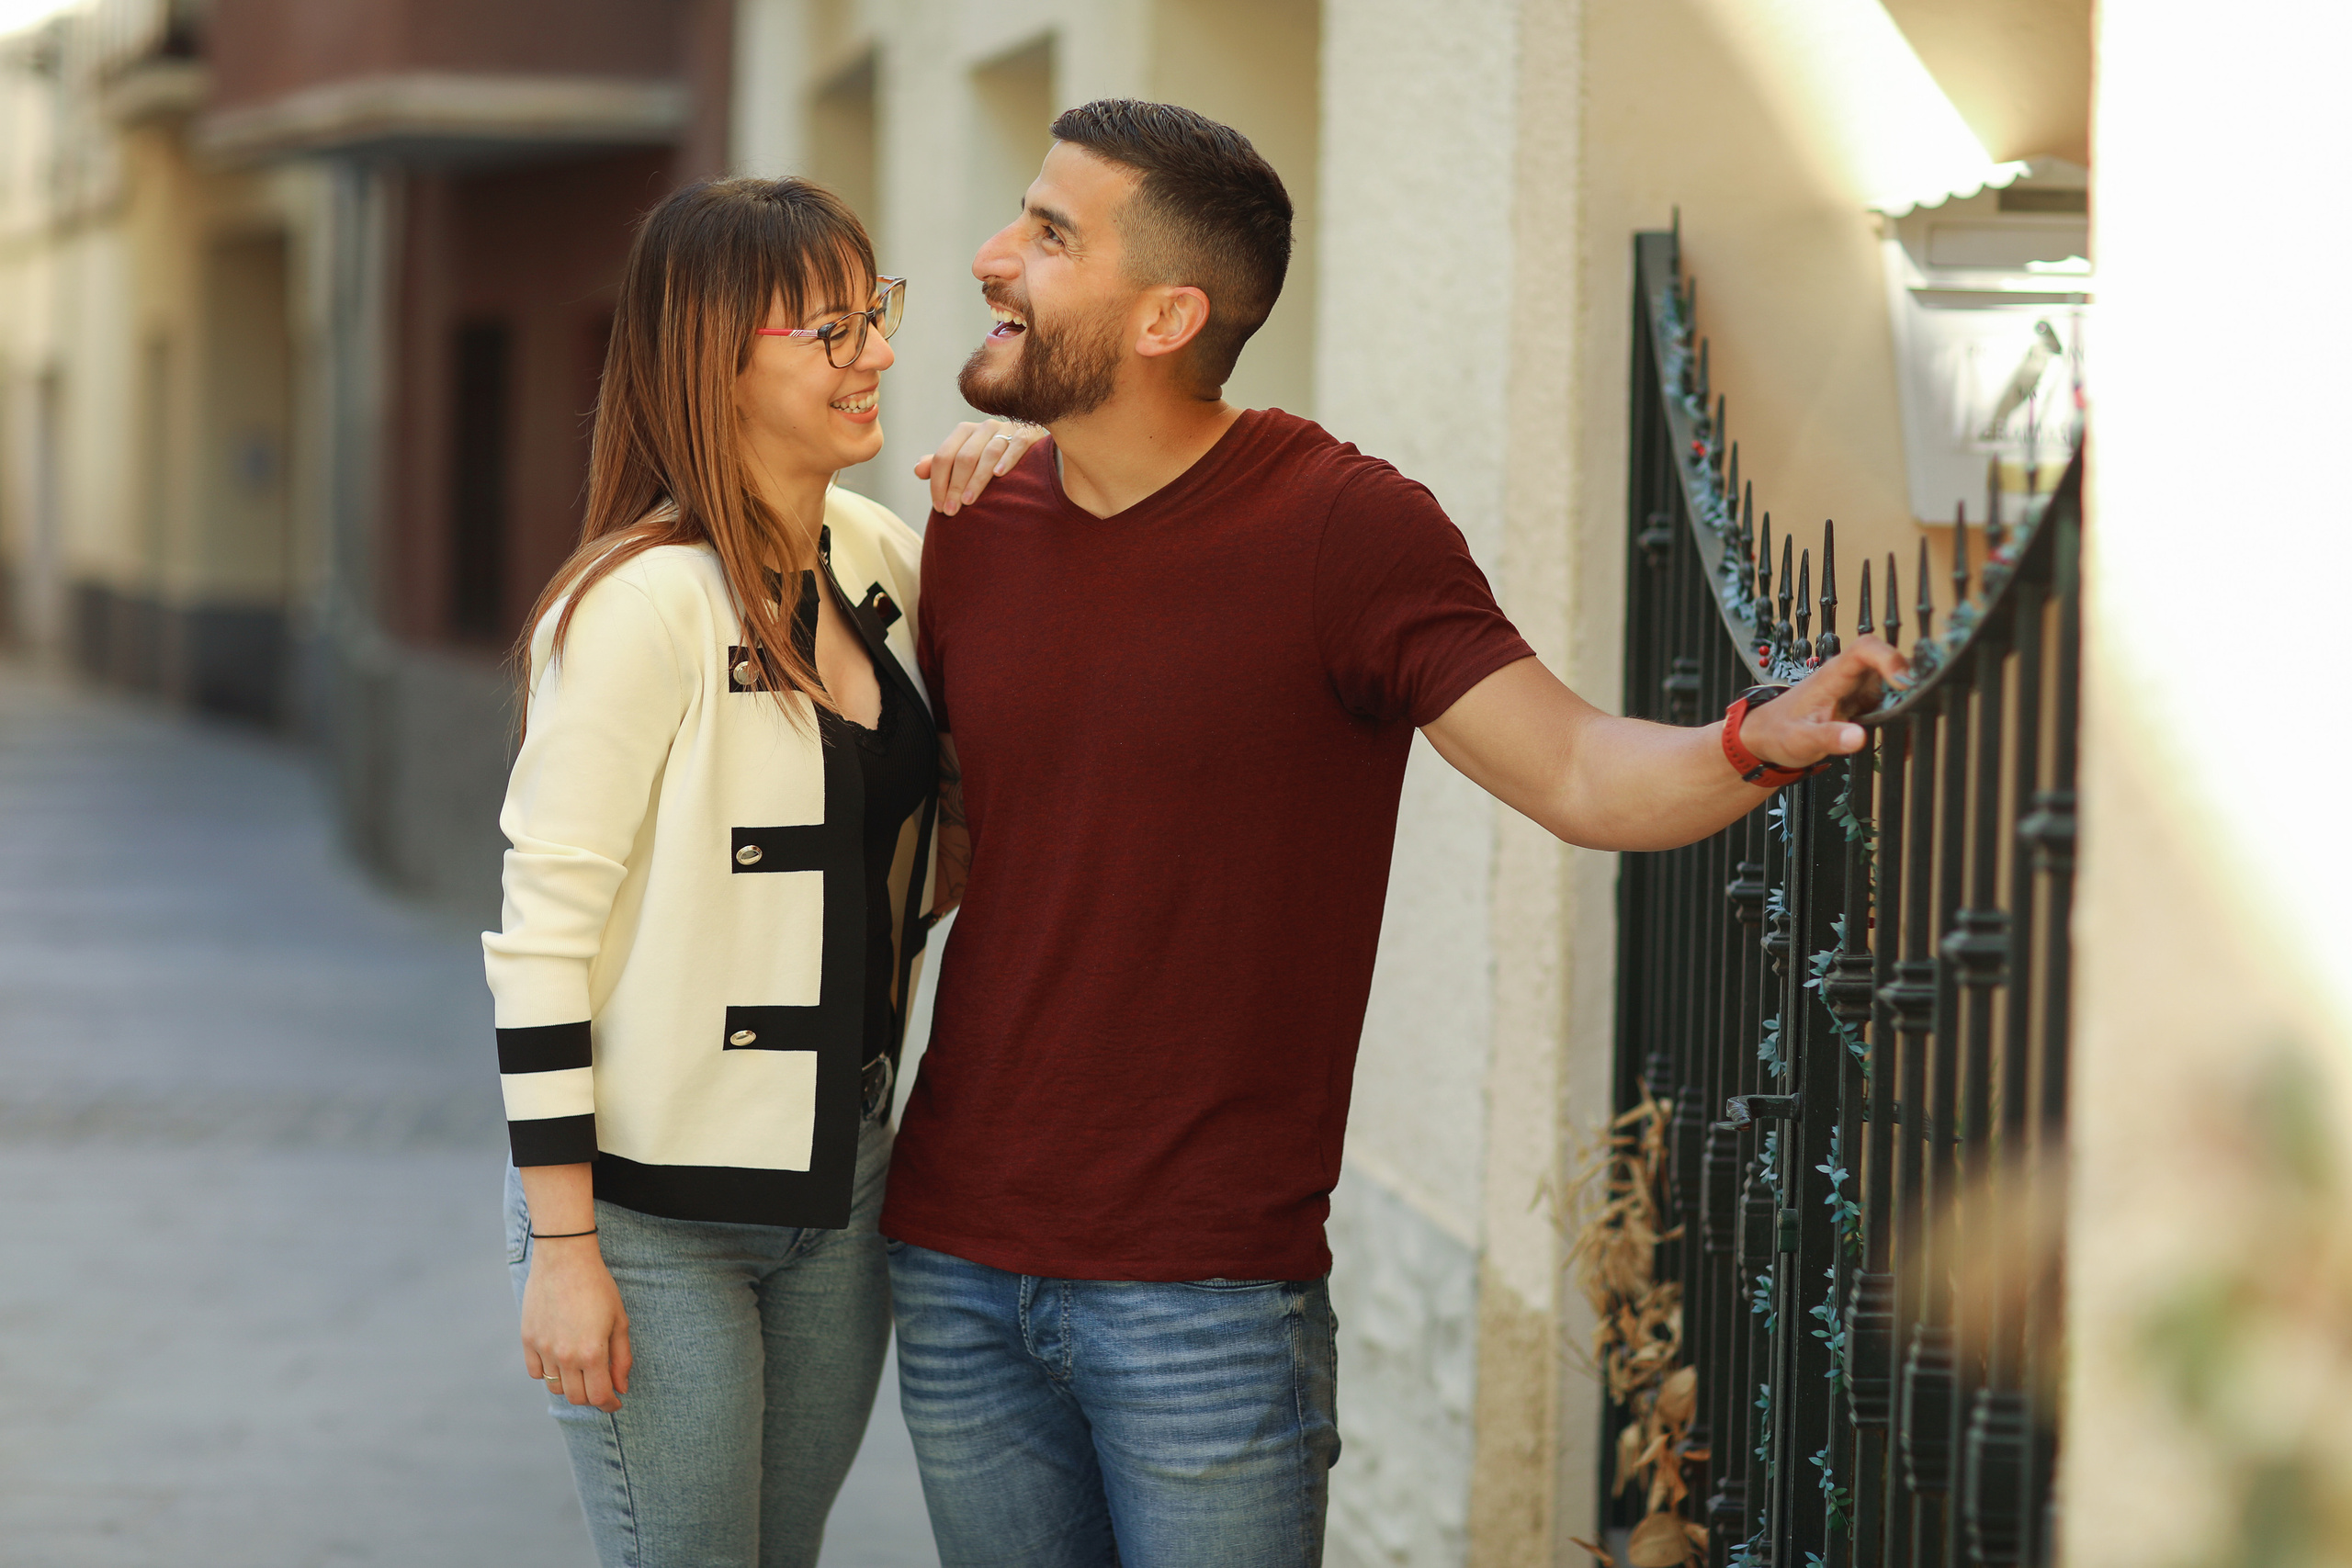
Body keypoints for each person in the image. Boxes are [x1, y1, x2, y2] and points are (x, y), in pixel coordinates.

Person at [884, 100, 1908, 1567]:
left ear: (1168, 316)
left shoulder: (1339, 529)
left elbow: (1574, 766)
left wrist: (1749, 740)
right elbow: (949, 846)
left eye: (1049, 234)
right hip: (956, 1266)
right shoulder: (974, 529)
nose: (993, 255)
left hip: (1201, 1298)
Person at [481, 175, 1035, 1568]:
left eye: (875, 312)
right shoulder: (635, 605)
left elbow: (938, 829)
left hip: (843, 1181)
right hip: (646, 1215)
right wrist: (563, 1250)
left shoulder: (885, 555)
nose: (879, 353)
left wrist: (1021, 496)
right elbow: (541, 942)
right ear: (713, 358)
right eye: (831, 328)